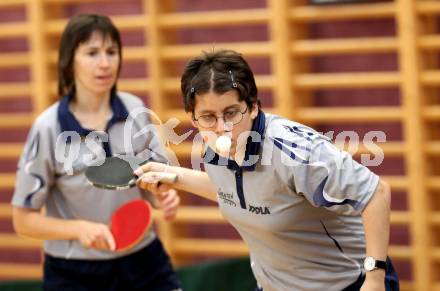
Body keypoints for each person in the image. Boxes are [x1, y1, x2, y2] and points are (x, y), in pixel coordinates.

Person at [135, 49, 400, 291]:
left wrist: (374, 277)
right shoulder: (214, 150)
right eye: (208, 117)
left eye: (231, 113)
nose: (221, 127)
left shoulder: (295, 153)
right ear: (193, 118)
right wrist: (174, 175)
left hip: (347, 283)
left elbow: (376, 193)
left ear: (252, 107)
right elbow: (245, 195)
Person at [11, 14, 181, 291]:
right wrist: (79, 230)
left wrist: (163, 197)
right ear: (69, 61)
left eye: (111, 52)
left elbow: (152, 183)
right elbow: (23, 220)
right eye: (92, 53)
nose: (104, 63)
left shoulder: (136, 110)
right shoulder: (48, 127)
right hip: (74, 273)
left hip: (143, 261)